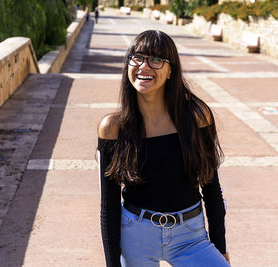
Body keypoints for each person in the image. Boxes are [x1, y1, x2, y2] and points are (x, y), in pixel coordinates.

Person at [97, 30, 231, 267]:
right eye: (137, 58)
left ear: (170, 71)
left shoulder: (196, 117)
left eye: (156, 60)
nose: (144, 66)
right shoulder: (113, 128)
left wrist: (220, 248)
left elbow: (211, 186)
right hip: (135, 236)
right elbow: (108, 206)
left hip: (190, 236)